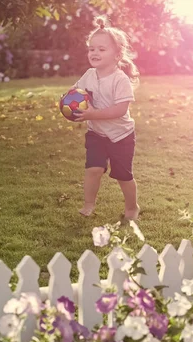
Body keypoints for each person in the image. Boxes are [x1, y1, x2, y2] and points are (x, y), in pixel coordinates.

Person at [72, 15, 140, 220]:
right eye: (92, 49)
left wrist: (93, 114)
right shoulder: (89, 75)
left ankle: (132, 207)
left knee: (123, 176)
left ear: (117, 55)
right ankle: (88, 204)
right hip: (97, 134)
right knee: (93, 168)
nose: (95, 53)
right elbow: (76, 92)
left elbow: (120, 109)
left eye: (102, 49)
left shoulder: (120, 80)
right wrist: (67, 100)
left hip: (121, 136)